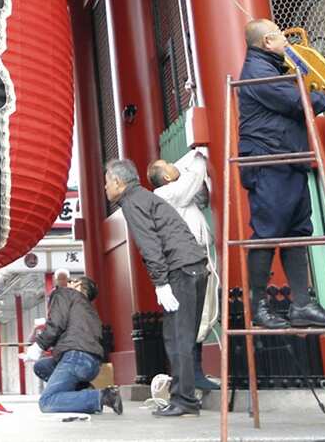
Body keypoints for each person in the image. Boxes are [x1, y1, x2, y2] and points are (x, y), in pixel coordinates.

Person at [235, 19, 325, 331]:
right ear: (268, 42)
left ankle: (302, 304)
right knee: (268, 231)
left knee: (298, 229)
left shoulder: (274, 66)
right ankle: (258, 306)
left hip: (287, 156)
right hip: (269, 158)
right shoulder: (259, 71)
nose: (287, 41)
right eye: (281, 37)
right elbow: (295, 102)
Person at [107, 158, 207, 418]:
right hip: (193, 265)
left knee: (176, 338)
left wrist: (161, 283)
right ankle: (185, 398)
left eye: (107, 182)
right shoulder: (145, 197)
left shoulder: (132, 202)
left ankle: (184, 401)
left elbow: (149, 244)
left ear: (118, 182)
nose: (105, 188)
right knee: (181, 336)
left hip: (181, 270)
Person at [149, 147, 224, 389]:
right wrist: (200, 152)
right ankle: (192, 377)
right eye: (168, 165)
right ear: (167, 177)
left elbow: (201, 194)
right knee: (192, 317)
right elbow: (194, 176)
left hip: (198, 261)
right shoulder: (166, 193)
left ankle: (195, 375)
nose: (174, 165)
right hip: (187, 265)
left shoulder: (178, 194)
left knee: (202, 315)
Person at [32, 277, 123, 416]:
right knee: (41, 366)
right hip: (93, 366)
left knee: (47, 401)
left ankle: (101, 396)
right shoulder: (90, 311)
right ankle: (82, 390)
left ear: (78, 284)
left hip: (75, 358)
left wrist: (39, 345)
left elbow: (56, 324)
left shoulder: (65, 293)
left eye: (70, 281)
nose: (67, 283)